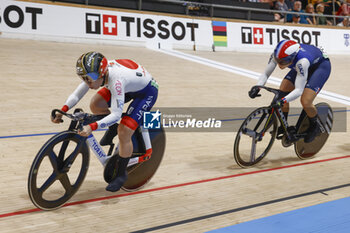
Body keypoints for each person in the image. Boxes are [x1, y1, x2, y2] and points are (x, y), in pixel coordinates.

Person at [51, 52, 159, 192]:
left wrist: (92, 126)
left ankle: (121, 175)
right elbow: (77, 94)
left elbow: (116, 114)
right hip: (130, 85)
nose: (87, 83)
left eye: (90, 79)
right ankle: (113, 128)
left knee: (124, 130)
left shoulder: (116, 81)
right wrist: (63, 109)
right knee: (96, 104)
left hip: (146, 92)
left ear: (101, 74)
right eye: (84, 79)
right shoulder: (97, 74)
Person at [248, 40, 331, 143]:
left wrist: (283, 101)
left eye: (283, 62)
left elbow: (299, 90)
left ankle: (315, 127)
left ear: (292, 58)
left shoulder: (302, 62)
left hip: (320, 67)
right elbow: (265, 74)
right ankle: (284, 126)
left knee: (305, 101)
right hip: (302, 64)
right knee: (282, 91)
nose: (279, 64)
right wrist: (258, 86)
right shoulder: (278, 55)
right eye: (278, 60)